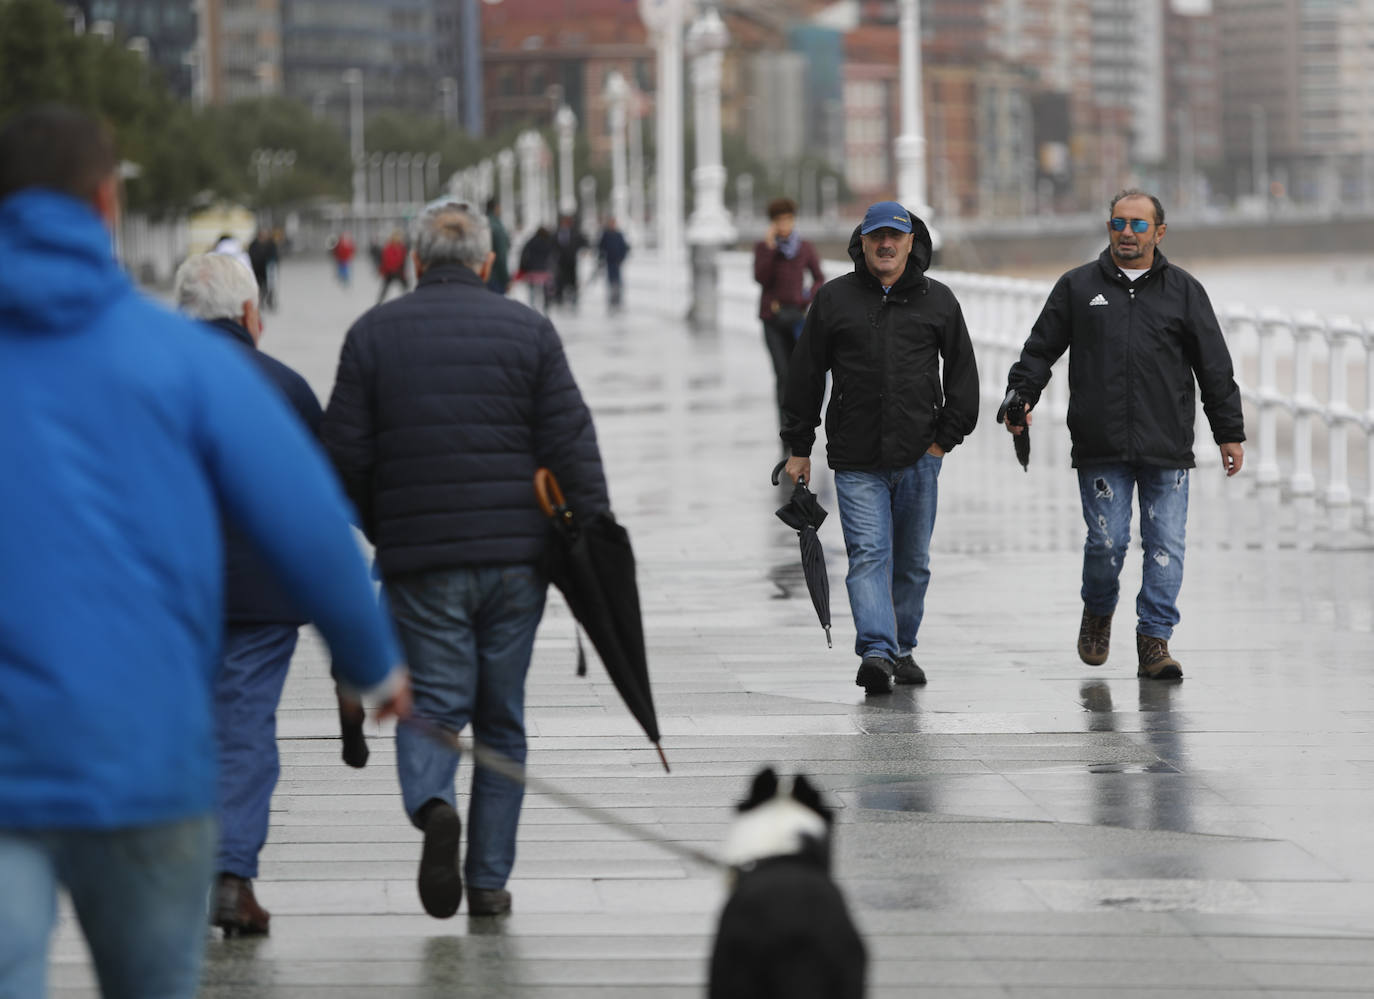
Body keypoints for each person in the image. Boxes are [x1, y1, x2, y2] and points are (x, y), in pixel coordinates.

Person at [0, 106, 411, 999]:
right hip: (144, 758)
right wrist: (373, 664)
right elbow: (310, 519)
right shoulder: (184, 364)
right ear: (107, 203)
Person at [322, 202, 608, 920]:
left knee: (438, 704)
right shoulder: (530, 330)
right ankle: (487, 881)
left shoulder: (371, 334)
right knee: (502, 717)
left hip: (423, 560)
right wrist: (590, 544)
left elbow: (342, 459)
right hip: (517, 561)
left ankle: (432, 804)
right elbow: (573, 446)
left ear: (416, 261)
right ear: (487, 263)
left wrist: (387, 526)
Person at [1001, 189, 1245, 681]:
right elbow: (1039, 350)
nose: (1127, 233)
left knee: (1165, 546)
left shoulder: (1184, 291)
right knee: (1106, 543)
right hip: (1100, 442)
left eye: (1138, 224)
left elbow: (1214, 366)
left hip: (1167, 444)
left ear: (1159, 232)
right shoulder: (1076, 286)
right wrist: (1020, 395)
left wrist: (1229, 432)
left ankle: (1154, 640)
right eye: (1118, 223)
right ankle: (1098, 609)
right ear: (1108, 226)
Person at [172, 252, 326, 937]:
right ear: (249, 314)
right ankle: (232, 874)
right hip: (264, 595)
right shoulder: (285, 386)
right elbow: (323, 500)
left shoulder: (148, 382)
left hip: (171, 594)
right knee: (244, 728)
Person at [781, 201, 979, 694]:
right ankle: (876, 650)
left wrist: (942, 442)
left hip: (919, 456)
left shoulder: (940, 301)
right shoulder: (833, 299)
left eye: (895, 236)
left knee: (911, 561)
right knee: (869, 554)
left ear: (912, 242)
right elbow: (805, 376)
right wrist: (798, 446)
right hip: (855, 458)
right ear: (862, 243)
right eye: (876, 237)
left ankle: (902, 648)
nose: (885, 245)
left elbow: (963, 376)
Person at [755, 197, 825, 437]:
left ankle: (800, 425)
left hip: (796, 317)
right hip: (772, 319)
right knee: (782, 374)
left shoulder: (804, 247)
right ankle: (785, 428)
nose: (785, 224)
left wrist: (805, 298)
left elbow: (818, 277)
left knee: (801, 375)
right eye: (780, 220)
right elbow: (761, 278)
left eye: (788, 219)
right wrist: (771, 249)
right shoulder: (764, 248)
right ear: (773, 223)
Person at [551, 213, 587, 306]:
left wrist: (583, 251)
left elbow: (583, 242)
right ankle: (559, 299)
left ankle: (573, 299)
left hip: (572, 261)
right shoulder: (556, 233)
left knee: (572, 281)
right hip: (560, 261)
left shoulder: (575, 233)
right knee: (560, 280)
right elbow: (552, 244)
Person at [517, 224, 555, 311]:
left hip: (532, 271)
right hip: (545, 271)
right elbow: (553, 256)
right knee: (545, 291)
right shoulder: (548, 241)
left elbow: (524, 254)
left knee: (532, 291)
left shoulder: (531, 241)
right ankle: (546, 306)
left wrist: (523, 267)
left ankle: (532, 307)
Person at [596, 216, 630, 311]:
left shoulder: (619, 235)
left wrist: (621, 259)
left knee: (617, 283)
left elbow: (624, 248)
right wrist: (601, 259)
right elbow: (601, 247)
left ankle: (617, 301)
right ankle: (612, 301)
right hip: (609, 262)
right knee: (611, 283)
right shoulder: (606, 235)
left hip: (617, 263)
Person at [247, 228, 279, 311]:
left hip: (268, 270)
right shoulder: (253, 245)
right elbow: (250, 256)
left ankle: (270, 302)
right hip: (257, 270)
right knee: (258, 288)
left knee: (270, 287)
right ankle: (259, 303)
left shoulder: (271, 244)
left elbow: (275, 257)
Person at [376, 229, 410, 304]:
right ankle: (378, 303)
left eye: (400, 237)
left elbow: (404, 261)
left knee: (406, 287)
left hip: (399, 272)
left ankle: (409, 302)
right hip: (390, 272)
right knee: (384, 290)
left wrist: (404, 271)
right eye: (396, 237)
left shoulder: (402, 247)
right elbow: (386, 259)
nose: (398, 238)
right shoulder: (388, 247)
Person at [486, 197, 511, 295]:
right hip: (496, 278)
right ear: (496, 207)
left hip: (482, 276)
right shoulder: (497, 227)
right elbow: (501, 256)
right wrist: (506, 279)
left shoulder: (481, 223)